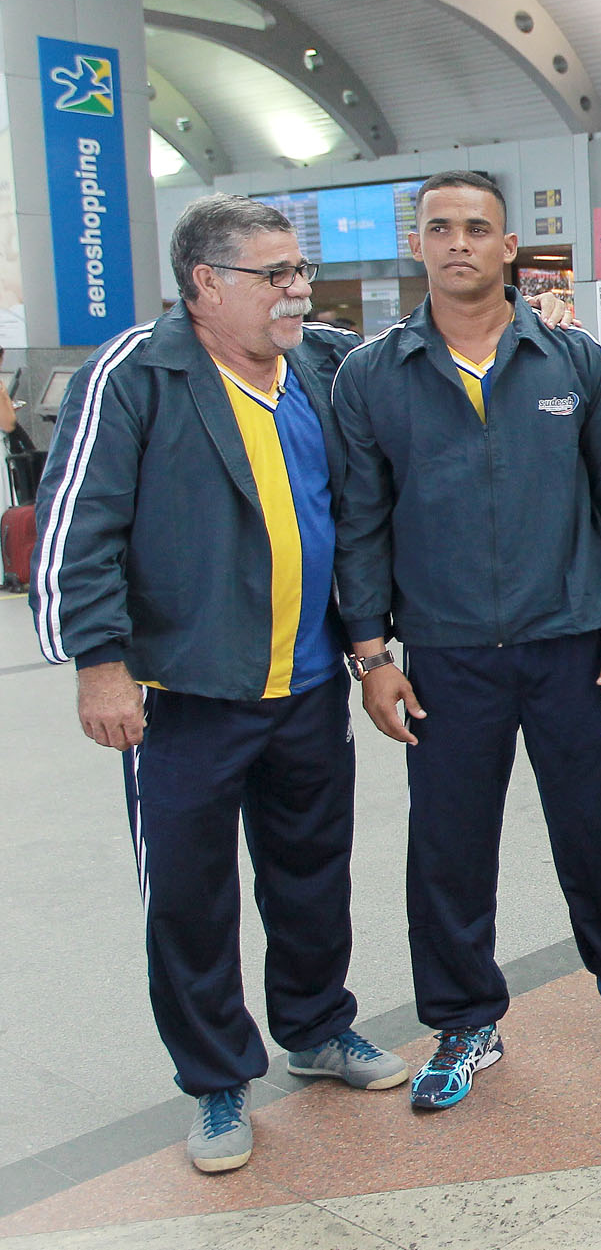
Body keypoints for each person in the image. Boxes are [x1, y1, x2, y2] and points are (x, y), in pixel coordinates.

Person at [31, 194, 406, 1175]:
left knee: (312, 875)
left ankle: (318, 1029)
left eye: (299, 271)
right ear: (205, 283)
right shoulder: (138, 373)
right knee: (191, 900)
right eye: (274, 274)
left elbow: (357, 510)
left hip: (307, 684)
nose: (297, 290)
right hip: (181, 694)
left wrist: (368, 653)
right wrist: (101, 666)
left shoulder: (319, 365)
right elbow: (79, 527)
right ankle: (213, 1081)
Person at [334, 170, 601, 1110]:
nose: (458, 243)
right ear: (419, 244)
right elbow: (360, 524)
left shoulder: (569, 360)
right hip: (443, 655)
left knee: (597, 830)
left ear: (509, 247)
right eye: (440, 227)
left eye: (477, 228)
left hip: (570, 643)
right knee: (447, 845)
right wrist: (371, 655)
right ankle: (463, 1022)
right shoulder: (372, 374)